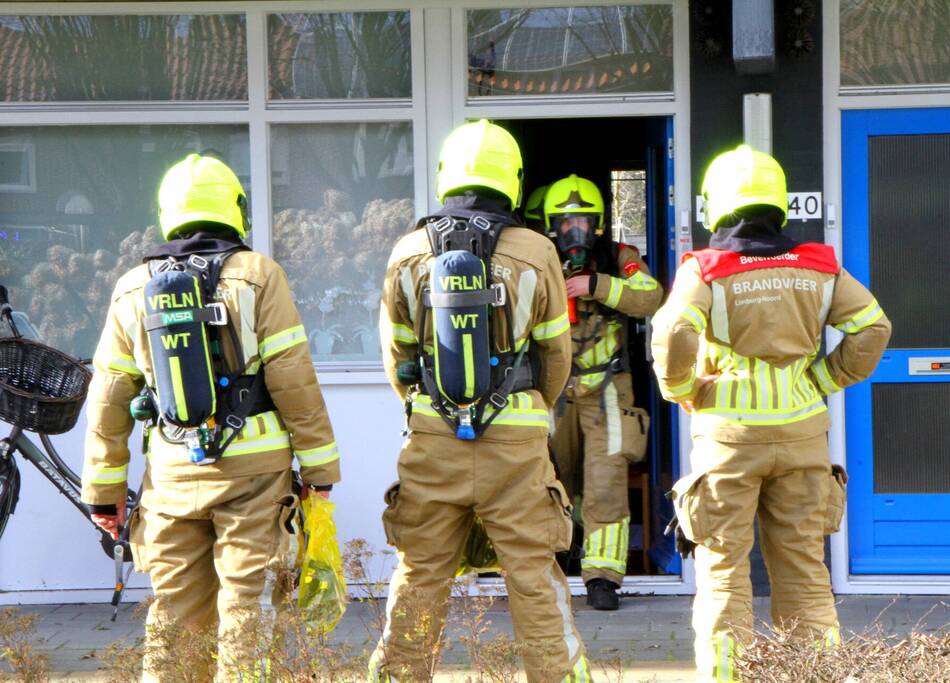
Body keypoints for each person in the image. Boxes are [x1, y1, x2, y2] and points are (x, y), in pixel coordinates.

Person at [83, 153, 340, 680]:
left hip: (173, 481)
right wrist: (319, 473)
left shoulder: (133, 287)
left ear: (167, 212)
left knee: (174, 615)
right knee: (244, 609)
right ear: (235, 209)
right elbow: (294, 380)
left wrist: (103, 492)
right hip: (254, 478)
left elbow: (109, 398)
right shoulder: (259, 275)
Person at [651, 144, 891, 681]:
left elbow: (671, 331)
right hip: (804, 438)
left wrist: (683, 388)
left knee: (723, 574)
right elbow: (874, 328)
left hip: (729, 444)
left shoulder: (707, 271)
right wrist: (823, 380)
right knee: (805, 572)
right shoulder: (820, 266)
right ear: (778, 204)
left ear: (715, 205)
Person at [373, 119, 593, 682]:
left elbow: (396, 356)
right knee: (533, 575)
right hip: (515, 446)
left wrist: (428, 411)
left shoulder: (407, 251)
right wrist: (530, 410)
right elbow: (555, 356)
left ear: (447, 175)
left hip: (432, 441)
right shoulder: (537, 251)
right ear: (513, 181)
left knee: (421, 574)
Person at [543, 174, 663, 611]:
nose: (575, 230)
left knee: (606, 486)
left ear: (598, 224)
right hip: (553, 394)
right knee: (553, 482)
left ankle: (602, 579)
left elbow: (651, 297)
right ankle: (557, 561)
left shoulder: (620, 257)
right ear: (550, 225)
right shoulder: (538, 260)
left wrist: (597, 286)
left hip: (609, 393)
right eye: (565, 222)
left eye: (584, 221)